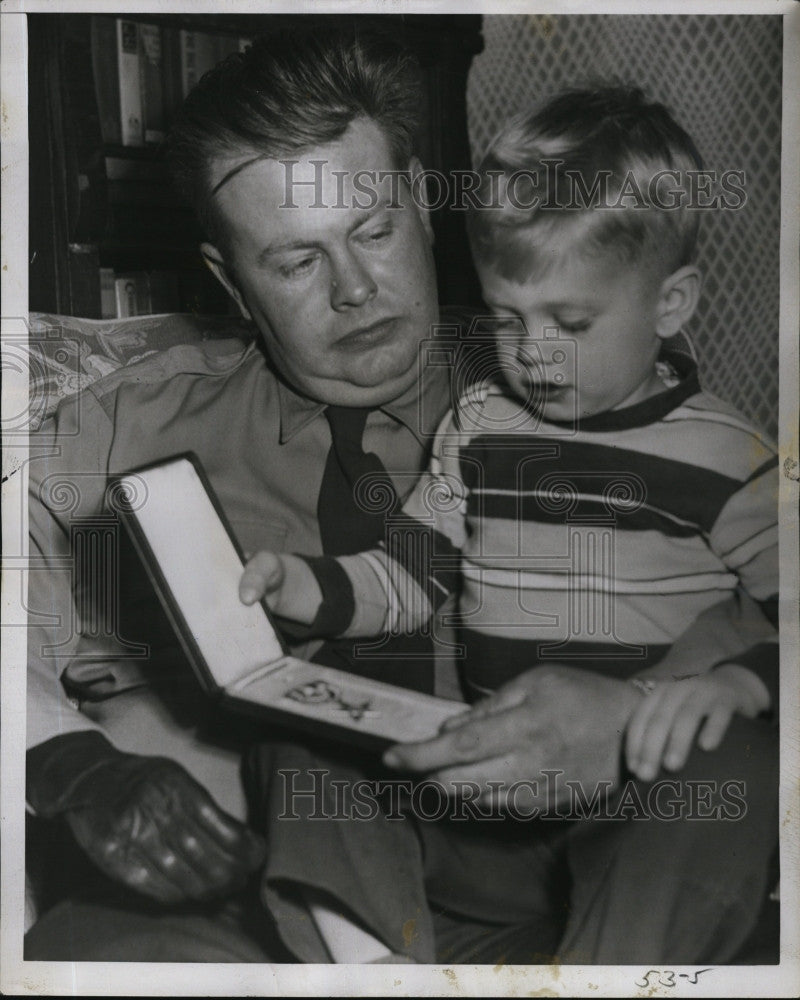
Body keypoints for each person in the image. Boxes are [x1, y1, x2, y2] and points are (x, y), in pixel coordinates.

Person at [24, 26, 773, 962]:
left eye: (373, 231)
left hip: (575, 882)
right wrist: (68, 762)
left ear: (422, 201)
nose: (356, 291)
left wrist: (639, 711)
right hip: (257, 902)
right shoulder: (117, 428)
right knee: (84, 951)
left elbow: (745, 605)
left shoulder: (583, 375)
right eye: (297, 262)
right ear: (229, 278)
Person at [239, 87, 779, 965]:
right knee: (305, 709)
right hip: (481, 810)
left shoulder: (729, 455)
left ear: (672, 304)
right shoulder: (482, 425)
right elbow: (407, 574)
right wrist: (298, 585)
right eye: (505, 318)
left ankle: (614, 973)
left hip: (633, 814)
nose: (533, 352)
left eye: (570, 322)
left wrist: (738, 689)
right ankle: (370, 956)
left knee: (733, 767)